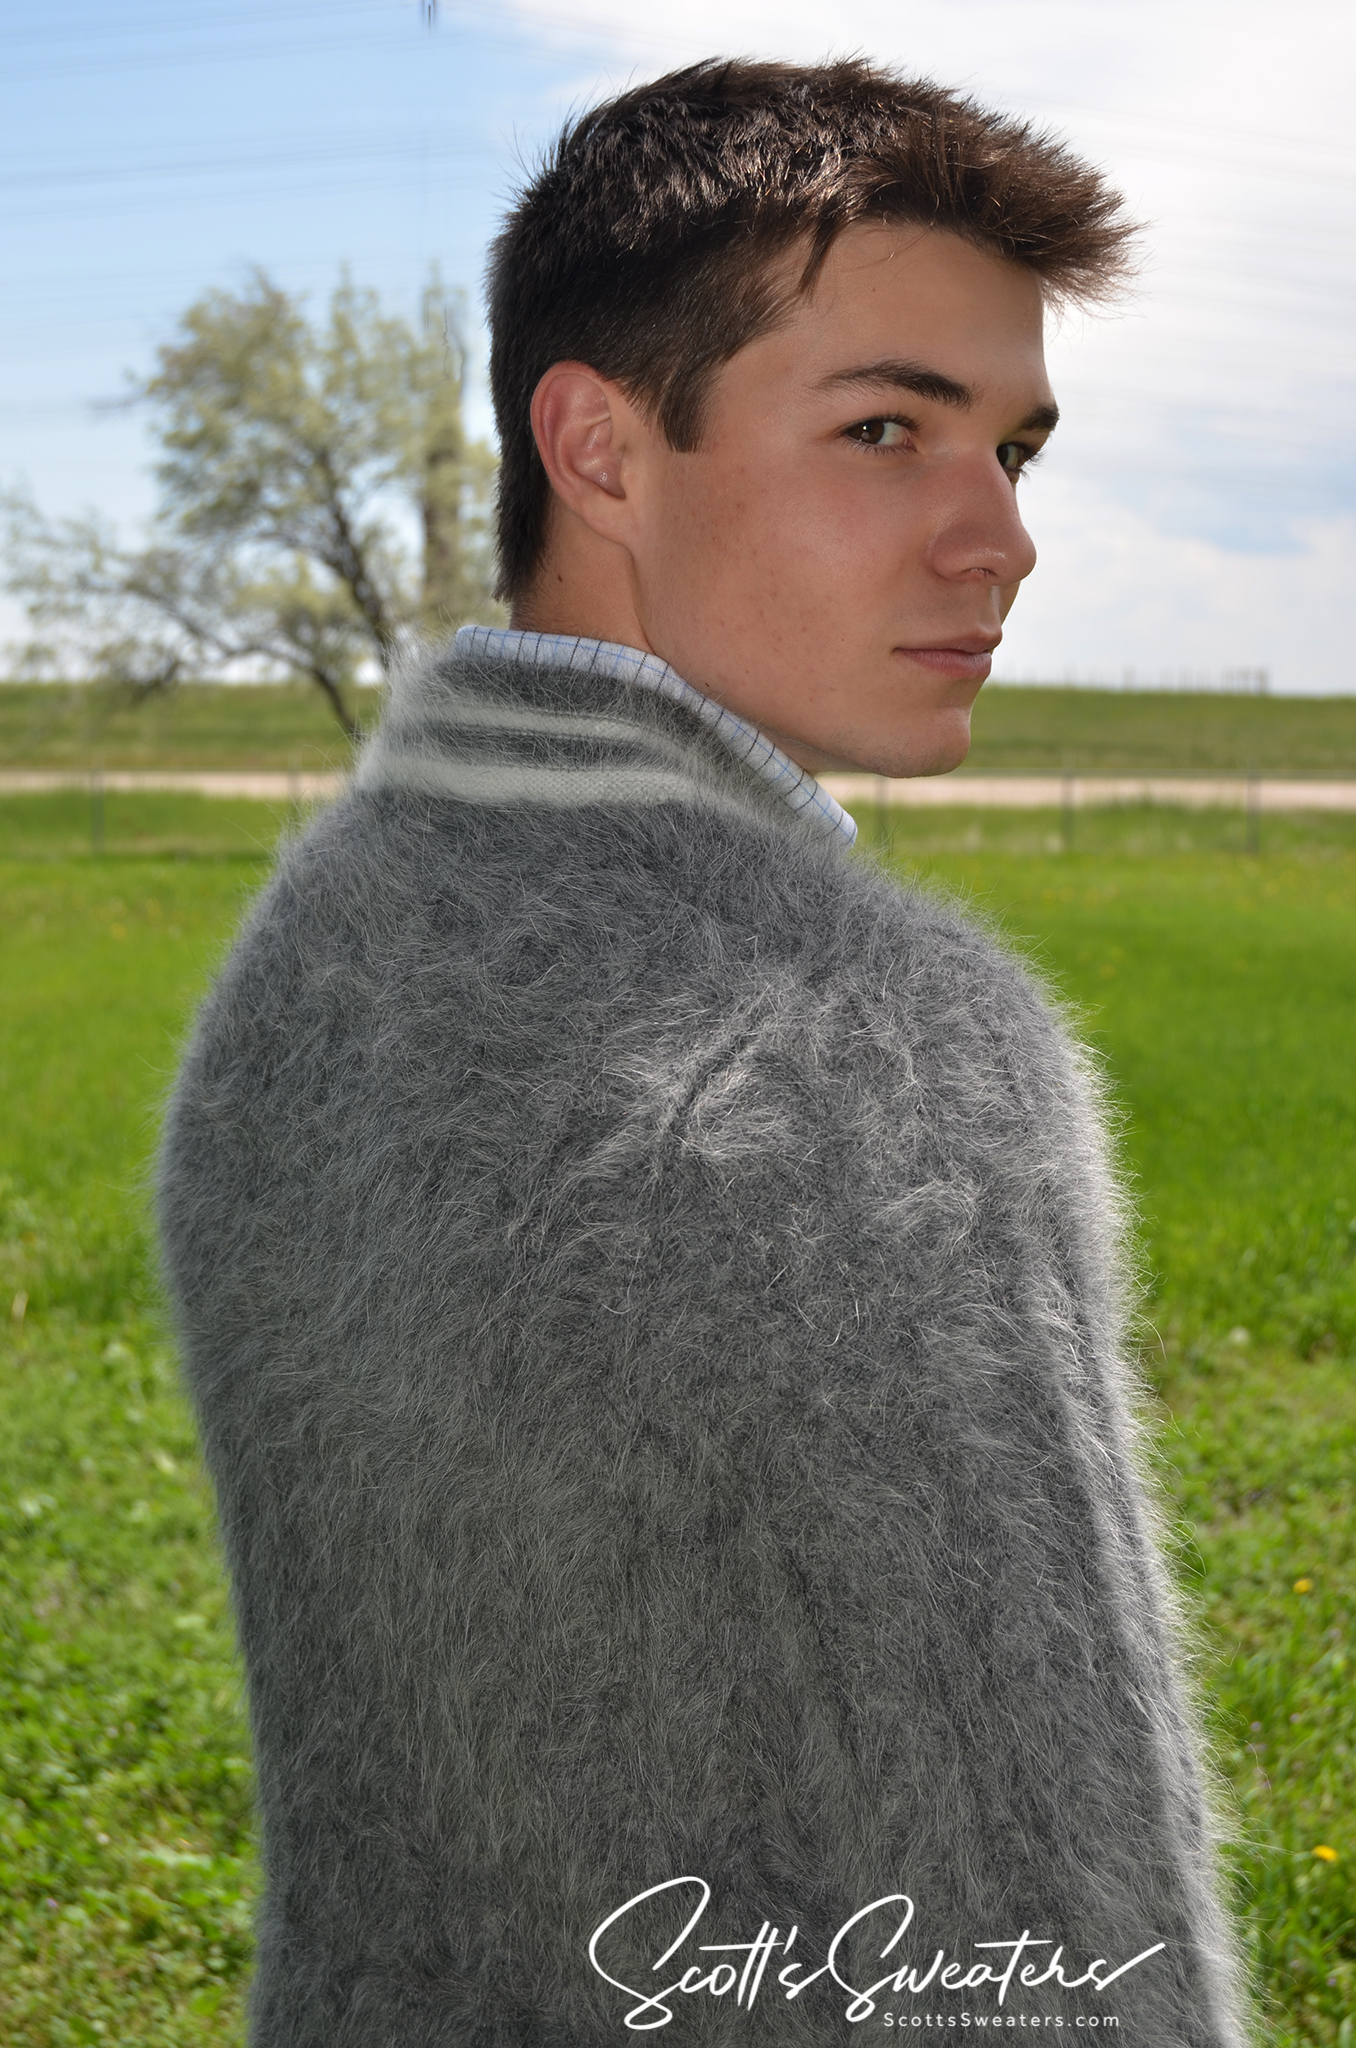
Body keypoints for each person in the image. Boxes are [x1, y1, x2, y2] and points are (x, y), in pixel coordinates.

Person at [157, 58, 1251, 2046]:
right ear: (599, 448)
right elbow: (1066, 1934)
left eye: (1013, 449)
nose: (999, 538)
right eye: (886, 428)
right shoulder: (867, 1050)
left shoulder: (310, 955)